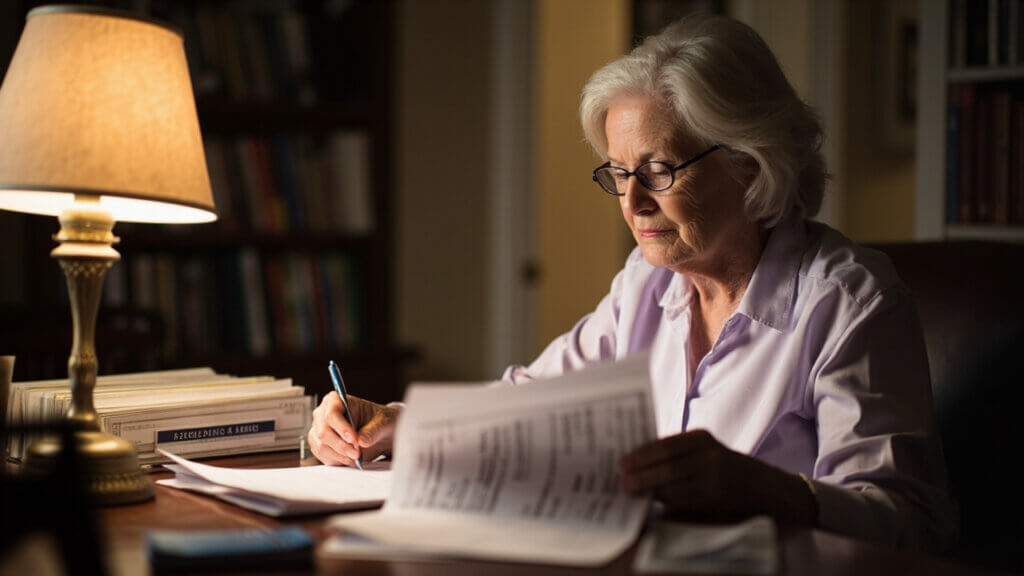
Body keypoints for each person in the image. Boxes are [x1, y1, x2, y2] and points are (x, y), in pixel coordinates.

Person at [308, 13, 956, 551]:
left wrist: (769, 490)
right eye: (618, 173)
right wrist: (393, 420)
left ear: (753, 162)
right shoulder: (646, 286)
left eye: (659, 170)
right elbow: (523, 407)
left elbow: (910, 523)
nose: (632, 202)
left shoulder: (849, 304)